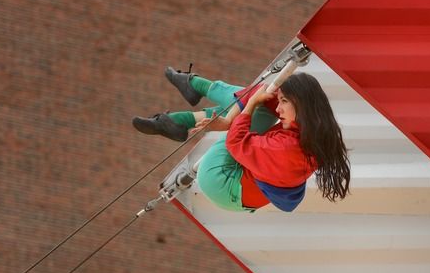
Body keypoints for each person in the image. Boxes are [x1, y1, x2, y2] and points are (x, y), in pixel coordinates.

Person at [132, 67, 350, 212]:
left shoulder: (285, 148)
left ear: (301, 104)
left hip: (222, 181)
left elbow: (236, 142)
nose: (280, 107)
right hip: (241, 194)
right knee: (261, 100)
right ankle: (182, 112)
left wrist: (250, 105)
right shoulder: (311, 136)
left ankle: (191, 93)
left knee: (261, 103)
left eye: (285, 101)